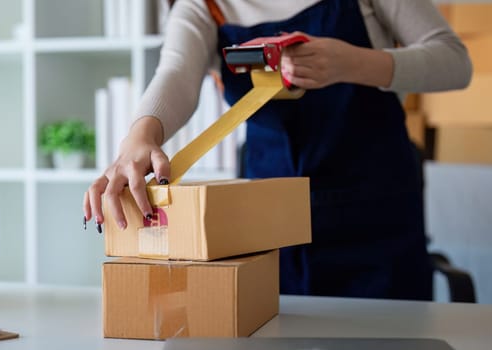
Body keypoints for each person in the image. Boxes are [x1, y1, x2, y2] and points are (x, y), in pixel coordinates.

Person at [83, 0, 472, 300]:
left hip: (376, 212)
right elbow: (176, 73)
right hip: (269, 223)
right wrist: (140, 137)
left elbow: (455, 62)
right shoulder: (206, 6)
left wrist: (353, 62)